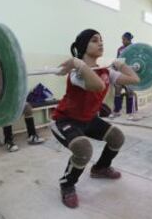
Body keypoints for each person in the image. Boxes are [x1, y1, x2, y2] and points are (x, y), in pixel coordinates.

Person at [50, 29, 139, 208]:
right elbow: (97, 86)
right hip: (65, 120)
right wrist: (77, 63)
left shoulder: (105, 70)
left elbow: (134, 79)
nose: (100, 43)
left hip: (88, 119)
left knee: (117, 137)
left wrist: (121, 64)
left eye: (101, 40)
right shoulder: (77, 73)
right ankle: (67, 184)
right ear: (84, 46)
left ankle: (100, 168)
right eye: (94, 40)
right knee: (83, 149)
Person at [110, 32, 138, 120]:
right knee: (117, 91)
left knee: (130, 93)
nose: (122, 41)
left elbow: (137, 61)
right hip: (120, 73)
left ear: (129, 40)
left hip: (130, 73)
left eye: (124, 39)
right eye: (122, 39)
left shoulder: (135, 49)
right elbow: (118, 60)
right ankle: (116, 111)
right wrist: (114, 67)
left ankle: (130, 113)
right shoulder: (120, 49)